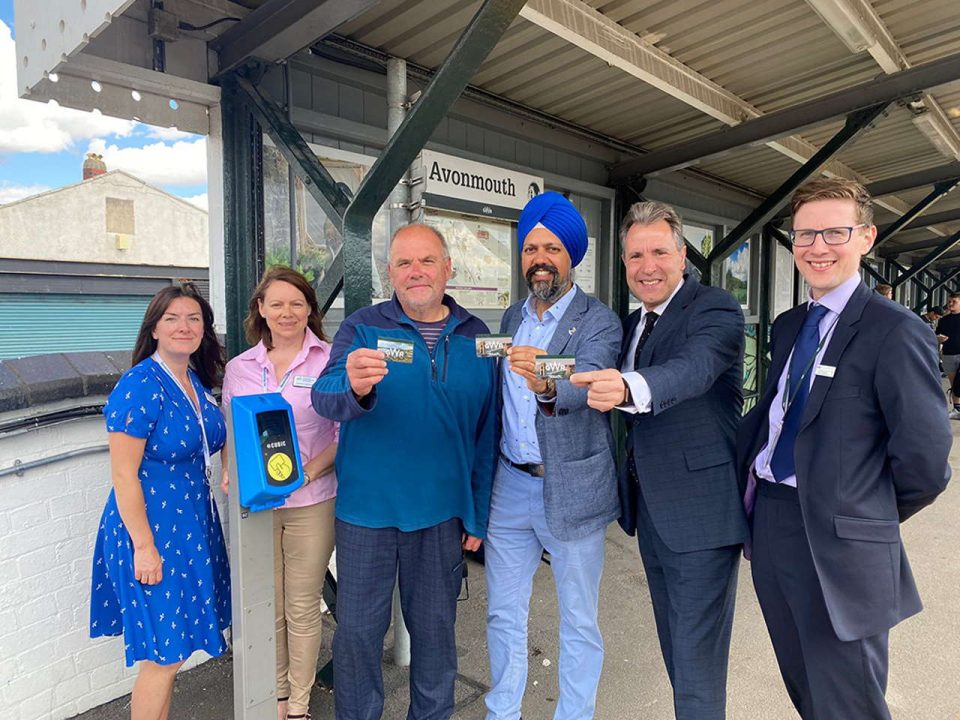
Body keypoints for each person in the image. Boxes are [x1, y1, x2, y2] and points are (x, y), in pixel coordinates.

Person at [737, 178, 952, 718]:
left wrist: (862, 510)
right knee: (805, 686)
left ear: (866, 237)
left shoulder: (895, 330)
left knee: (849, 700)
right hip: (772, 521)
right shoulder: (790, 325)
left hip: (840, 541)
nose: (817, 247)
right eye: (805, 234)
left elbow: (925, 462)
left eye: (835, 232)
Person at [311, 223, 498, 720]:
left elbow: (487, 433)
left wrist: (476, 515)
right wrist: (354, 387)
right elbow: (323, 396)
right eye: (404, 263)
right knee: (356, 637)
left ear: (447, 269)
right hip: (366, 514)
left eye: (427, 261)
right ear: (389, 273)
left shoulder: (477, 337)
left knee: (436, 638)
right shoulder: (363, 327)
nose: (416, 272)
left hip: (441, 517)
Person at [572, 200, 748, 720]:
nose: (647, 267)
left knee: (696, 668)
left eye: (658, 252)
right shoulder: (631, 323)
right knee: (678, 651)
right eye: (634, 256)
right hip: (651, 511)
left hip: (700, 514)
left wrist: (628, 384)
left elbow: (690, 370)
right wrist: (544, 377)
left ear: (682, 254)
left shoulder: (714, 309)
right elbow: (588, 374)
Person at [484, 192, 621, 720]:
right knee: (502, 613)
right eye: (531, 248)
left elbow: (585, 382)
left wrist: (547, 379)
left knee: (579, 620)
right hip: (510, 484)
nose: (539, 257)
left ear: (572, 256)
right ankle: (502, 713)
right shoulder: (509, 315)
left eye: (553, 248)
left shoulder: (599, 321)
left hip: (573, 486)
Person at [90, 283, 230, 720]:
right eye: (172, 319)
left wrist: (227, 466)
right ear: (154, 329)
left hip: (189, 524)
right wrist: (144, 546)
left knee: (174, 650)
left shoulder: (194, 379)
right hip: (151, 530)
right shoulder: (140, 385)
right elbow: (123, 475)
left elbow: (215, 433)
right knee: (163, 656)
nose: (184, 327)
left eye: (194, 318)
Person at [222, 267, 338, 720]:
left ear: (310, 308)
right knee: (266, 605)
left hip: (312, 501)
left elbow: (341, 433)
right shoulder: (239, 368)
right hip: (257, 506)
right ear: (261, 310)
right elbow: (234, 432)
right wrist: (231, 473)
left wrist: (305, 475)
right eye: (276, 304)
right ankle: (277, 698)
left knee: (303, 606)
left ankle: (300, 706)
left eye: (296, 303)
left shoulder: (330, 360)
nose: (286, 313)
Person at [936, 293, 960, 418]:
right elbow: (937, 334)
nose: (950, 304)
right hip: (948, 353)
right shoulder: (944, 320)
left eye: (954, 301)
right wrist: (939, 339)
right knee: (954, 384)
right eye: (949, 301)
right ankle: (957, 409)